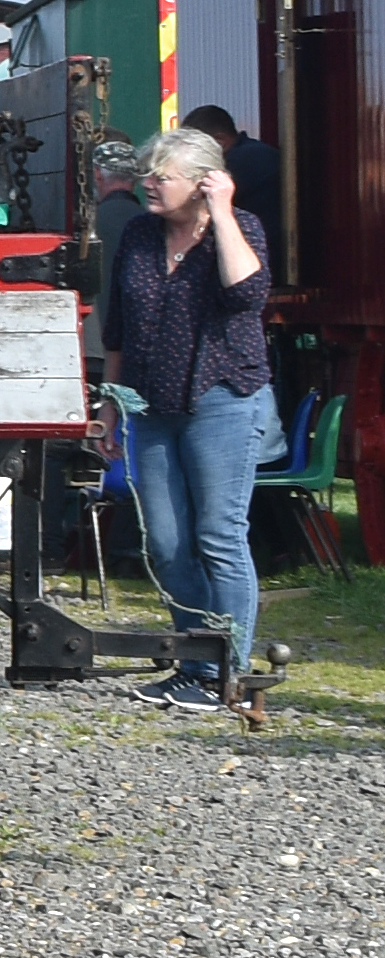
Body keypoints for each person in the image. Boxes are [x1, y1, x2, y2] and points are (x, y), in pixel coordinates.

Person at [108, 123, 273, 707]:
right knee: (168, 543)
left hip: (222, 400)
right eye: (146, 172)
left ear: (203, 183)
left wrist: (223, 213)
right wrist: (110, 402)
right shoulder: (137, 234)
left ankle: (228, 670)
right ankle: (194, 665)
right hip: (150, 405)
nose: (148, 183)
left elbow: (247, 295)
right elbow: (118, 325)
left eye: (162, 175)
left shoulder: (241, 229)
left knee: (219, 536)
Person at [177, 103, 288, 272]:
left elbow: (191, 200)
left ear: (219, 142)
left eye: (196, 149)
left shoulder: (245, 160)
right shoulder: (258, 153)